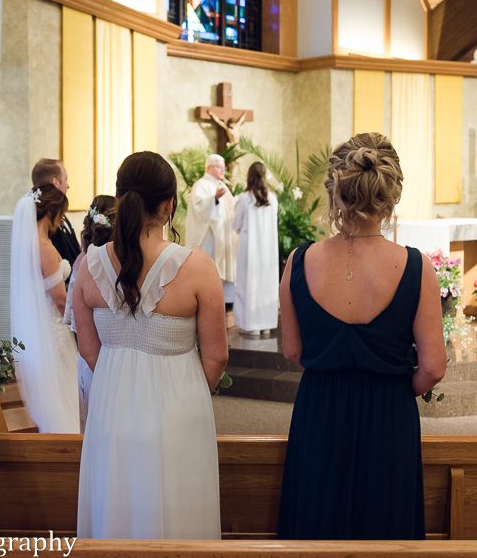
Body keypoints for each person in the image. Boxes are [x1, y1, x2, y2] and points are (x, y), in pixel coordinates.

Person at [277, 133, 446, 540]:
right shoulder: (416, 267)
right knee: (385, 529)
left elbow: (293, 351)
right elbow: (433, 367)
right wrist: (394, 387)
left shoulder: (299, 261)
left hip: (320, 411)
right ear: (391, 196)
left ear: (335, 192)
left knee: (316, 524)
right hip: (388, 415)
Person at [73, 151, 227, 539]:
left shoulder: (87, 266)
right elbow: (216, 355)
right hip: (179, 407)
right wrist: (187, 389)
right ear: (169, 205)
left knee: (116, 504)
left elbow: (88, 349)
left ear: (120, 199)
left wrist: (121, 380)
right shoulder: (197, 266)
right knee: (180, 510)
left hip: (111, 404)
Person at [10, 183, 80, 433]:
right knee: (63, 388)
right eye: (60, 213)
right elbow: (60, 299)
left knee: (55, 390)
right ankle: (66, 437)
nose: (61, 220)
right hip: (55, 329)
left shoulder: (26, 244)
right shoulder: (44, 248)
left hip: (39, 328)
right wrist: (80, 326)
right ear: (50, 212)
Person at [63, 195, 117, 433]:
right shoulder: (123, 262)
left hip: (89, 359)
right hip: (113, 359)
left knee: (94, 429)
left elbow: (74, 321)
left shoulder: (82, 261)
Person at [233, 162, 279, 336]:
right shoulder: (273, 199)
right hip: (268, 250)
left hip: (249, 249)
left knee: (248, 283)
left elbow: (236, 225)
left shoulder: (244, 199)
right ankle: (266, 324)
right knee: (266, 284)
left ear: (249, 176)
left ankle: (251, 325)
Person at [184, 153, 236, 300]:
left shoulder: (221, 186)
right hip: (208, 238)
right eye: (219, 167)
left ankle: (220, 300)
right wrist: (214, 199)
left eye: (223, 167)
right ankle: (206, 299)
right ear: (208, 168)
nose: (223, 171)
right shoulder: (201, 185)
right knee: (208, 270)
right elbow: (198, 208)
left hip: (222, 238)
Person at [32, 158, 81, 267]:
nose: (68, 185)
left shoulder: (59, 214)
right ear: (56, 182)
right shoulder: (46, 221)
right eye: (66, 179)